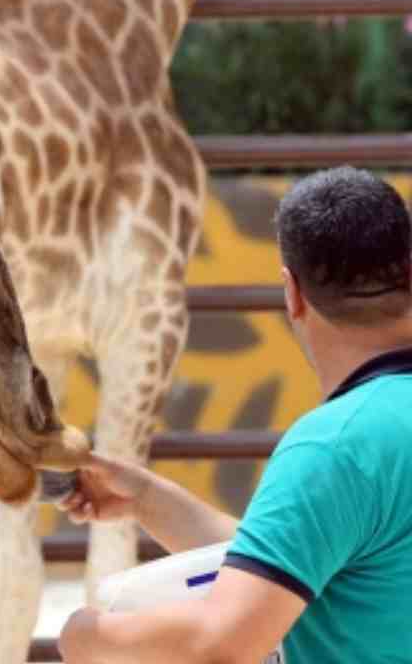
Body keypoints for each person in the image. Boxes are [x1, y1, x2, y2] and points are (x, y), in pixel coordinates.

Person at [57, 166, 412, 664]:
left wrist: (87, 636)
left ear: (292, 294)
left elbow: (223, 642)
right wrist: (148, 500)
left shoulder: (334, 448)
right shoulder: (361, 447)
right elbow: (293, 556)